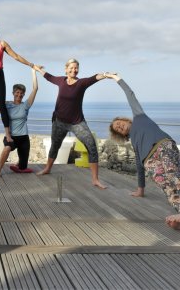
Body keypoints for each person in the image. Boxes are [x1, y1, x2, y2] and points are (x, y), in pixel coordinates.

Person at [105, 73, 180, 230]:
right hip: (150, 162)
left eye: (119, 123)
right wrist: (140, 190)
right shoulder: (134, 142)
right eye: (118, 129)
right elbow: (139, 166)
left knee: (175, 176)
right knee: (167, 187)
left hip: (162, 146)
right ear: (122, 134)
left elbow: (130, 95)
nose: (119, 127)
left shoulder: (139, 116)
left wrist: (116, 78)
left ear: (126, 120)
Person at [34, 58, 108, 189]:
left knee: (91, 145)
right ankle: (47, 168)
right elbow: (48, 76)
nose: (74, 70)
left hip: (77, 123)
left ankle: (95, 179)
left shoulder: (81, 83)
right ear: (66, 69)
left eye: (76, 68)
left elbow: (94, 78)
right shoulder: (61, 81)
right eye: (71, 67)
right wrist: (38, 68)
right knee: (54, 146)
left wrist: (105, 75)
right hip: (59, 122)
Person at [0, 68, 38, 177]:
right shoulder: (8, 105)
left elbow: (35, 88)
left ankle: (19, 163)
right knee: (7, 148)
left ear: (23, 94)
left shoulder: (25, 106)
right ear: (13, 93)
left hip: (24, 138)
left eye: (21, 93)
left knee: (23, 167)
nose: (19, 95)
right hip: (11, 137)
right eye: (17, 92)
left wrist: (33, 72)